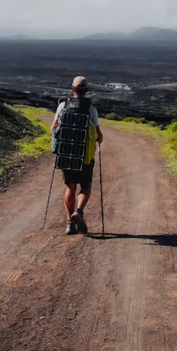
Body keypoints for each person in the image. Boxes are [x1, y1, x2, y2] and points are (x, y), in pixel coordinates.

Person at [50, 76, 104, 234]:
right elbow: (99, 136)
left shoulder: (62, 106)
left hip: (66, 155)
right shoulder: (91, 109)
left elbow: (53, 130)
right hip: (85, 156)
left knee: (70, 187)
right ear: (86, 91)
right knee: (86, 187)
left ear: (72, 90)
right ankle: (78, 212)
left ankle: (69, 224)